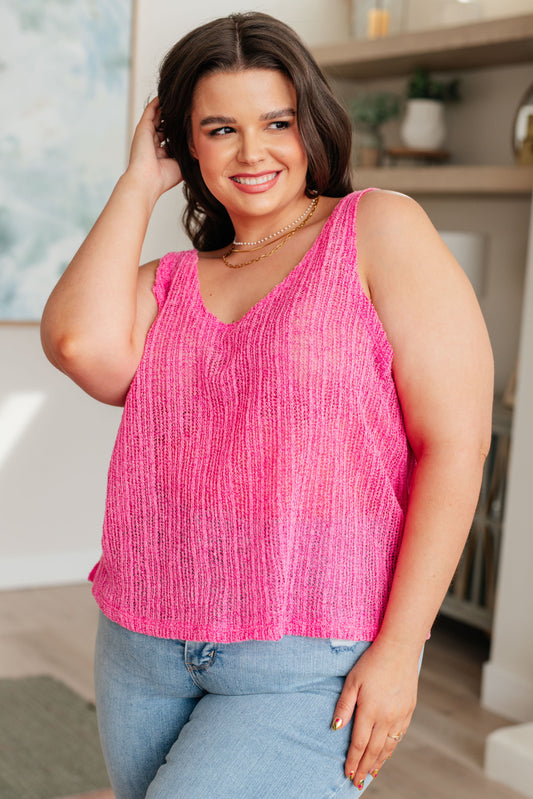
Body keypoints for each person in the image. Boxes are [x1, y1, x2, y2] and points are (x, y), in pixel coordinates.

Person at [40, 11, 494, 799]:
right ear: (185, 143)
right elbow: (79, 346)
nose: (252, 152)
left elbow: (453, 446)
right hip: (143, 640)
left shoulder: (378, 230)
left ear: (309, 122)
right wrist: (138, 182)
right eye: (219, 128)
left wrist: (401, 647)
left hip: (311, 655)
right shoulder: (171, 281)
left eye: (276, 121)